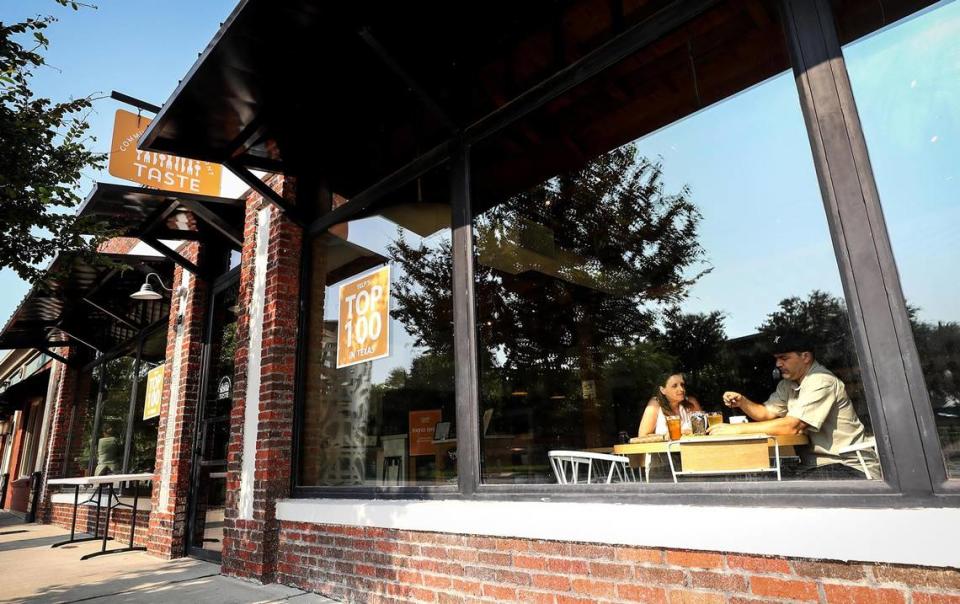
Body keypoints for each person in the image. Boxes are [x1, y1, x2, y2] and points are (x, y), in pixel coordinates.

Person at [708, 331, 878, 479]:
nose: (778, 364)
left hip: (849, 466)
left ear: (805, 357)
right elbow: (766, 413)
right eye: (776, 359)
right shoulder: (787, 384)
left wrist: (734, 430)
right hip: (815, 467)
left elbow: (792, 427)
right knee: (764, 480)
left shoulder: (821, 381)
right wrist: (743, 402)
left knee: (772, 489)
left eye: (784, 358)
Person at [637, 373, 702, 436]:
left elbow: (701, 430)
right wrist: (666, 436)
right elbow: (643, 435)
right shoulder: (655, 404)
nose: (681, 389)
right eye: (674, 386)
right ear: (663, 390)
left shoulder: (691, 402)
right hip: (663, 447)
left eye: (682, 385)